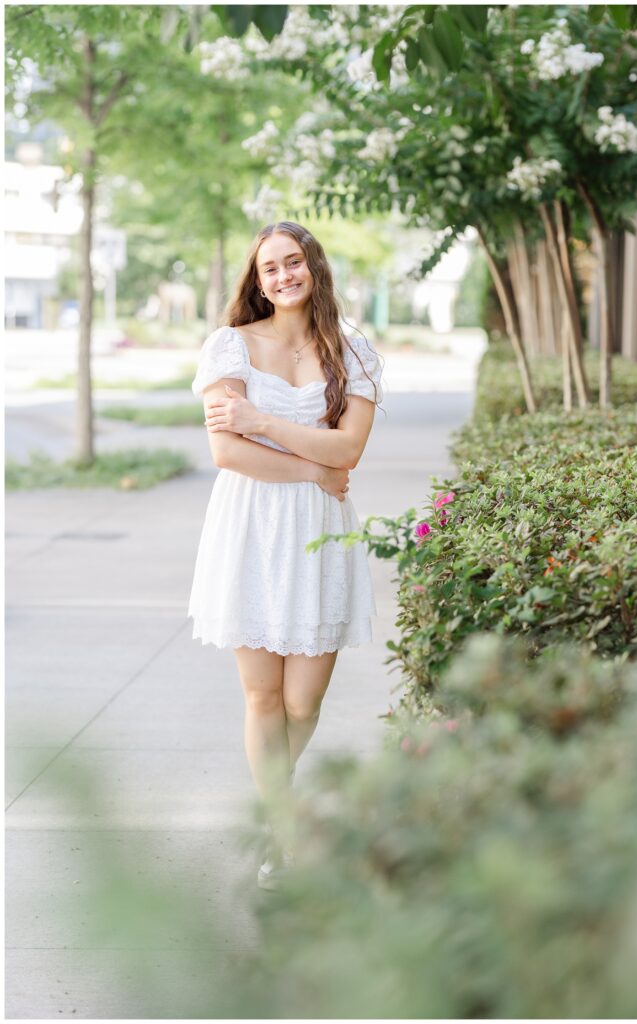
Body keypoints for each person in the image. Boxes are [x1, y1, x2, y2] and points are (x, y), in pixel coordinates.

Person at [187, 221, 384, 889]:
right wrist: (311, 466)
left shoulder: (352, 350)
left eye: (291, 262)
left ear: (313, 266)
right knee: (262, 697)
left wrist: (266, 424)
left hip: (320, 535)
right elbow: (226, 453)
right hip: (251, 525)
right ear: (256, 280)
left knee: (304, 702)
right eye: (268, 267)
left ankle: (273, 794)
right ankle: (281, 829)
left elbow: (349, 451)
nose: (281, 276)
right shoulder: (230, 347)